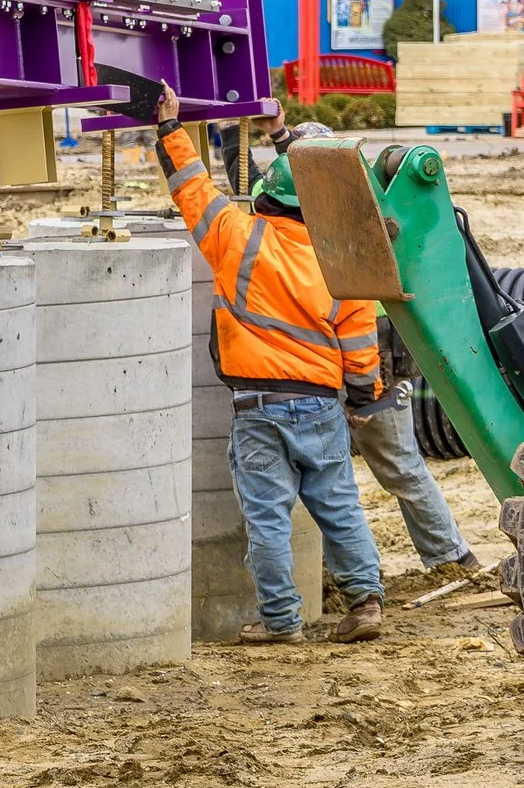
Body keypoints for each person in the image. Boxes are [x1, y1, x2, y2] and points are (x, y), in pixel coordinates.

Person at [151, 84, 386, 645]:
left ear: (267, 199)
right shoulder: (341, 259)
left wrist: (169, 129)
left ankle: (281, 623)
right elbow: (360, 348)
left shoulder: (237, 238)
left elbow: (193, 190)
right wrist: (361, 401)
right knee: (338, 505)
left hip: (258, 407)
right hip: (322, 406)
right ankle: (366, 601)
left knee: (267, 519)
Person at [263, 123, 478, 580]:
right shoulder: (314, 208)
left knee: (394, 465)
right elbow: (278, 182)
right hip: (326, 364)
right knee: (322, 476)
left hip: (373, 361)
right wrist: (268, 134)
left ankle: (452, 559)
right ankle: (338, 571)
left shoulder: (354, 222)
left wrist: (366, 394)